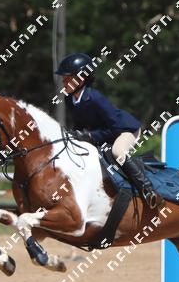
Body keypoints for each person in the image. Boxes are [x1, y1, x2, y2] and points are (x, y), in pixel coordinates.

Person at [55, 52, 163, 209]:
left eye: (67, 78)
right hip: (105, 131)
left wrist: (91, 135)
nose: (63, 81)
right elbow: (79, 123)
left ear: (81, 79)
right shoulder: (69, 98)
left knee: (118, 152)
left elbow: (115, 127)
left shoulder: (95, 98)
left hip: (125, 130)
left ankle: (149, 190)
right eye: (63, 78)